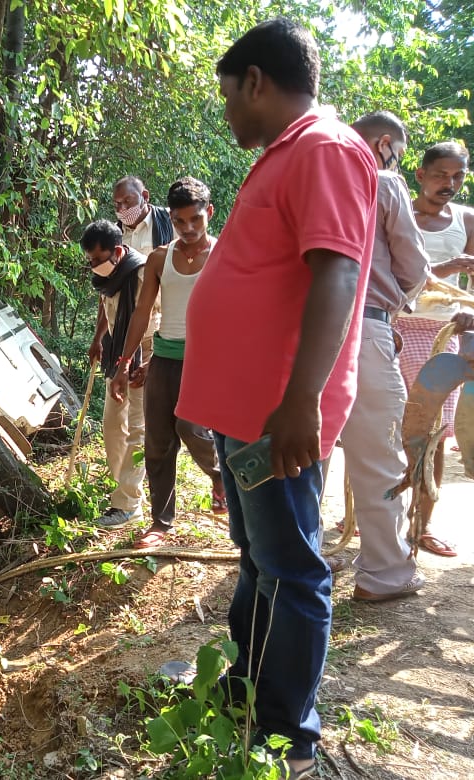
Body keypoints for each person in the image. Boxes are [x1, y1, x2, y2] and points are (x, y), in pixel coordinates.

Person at [175, 19, 376, 778]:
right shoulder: (285, 155)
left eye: (229, 96)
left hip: (275, 412)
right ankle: (246, 690)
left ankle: (287, 734)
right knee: (259, 560)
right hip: (247, 412)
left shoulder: (323, 149)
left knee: (292, 569)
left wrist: (303, 402)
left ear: (257, 81)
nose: (227, 114)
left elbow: (337, 274)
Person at [326, 112, 430, 599]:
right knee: (379, 456)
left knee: (310, 453)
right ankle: (385, 573)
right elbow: (413, 266)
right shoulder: (381, 178)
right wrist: (390, 308)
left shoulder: (315, 171)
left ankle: (296, 565)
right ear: (385, 143)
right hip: (363, 327)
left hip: (306, 329)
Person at [109, 177, 226, 549]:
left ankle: (221, 476)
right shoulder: (161, 258)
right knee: (158, 443)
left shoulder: (224, 254)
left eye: (196, 219)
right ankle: (160, 522)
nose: (188, 228)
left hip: (205, 362)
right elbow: (142, 312)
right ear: (171, 218)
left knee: (191, 426)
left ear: (209, 213)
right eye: (180, 221)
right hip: (165, 357)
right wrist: (125, 362)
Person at [395, 141, 474, 557]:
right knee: (388, 427)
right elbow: (394, 274)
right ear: (420, 175)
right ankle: (371, 517)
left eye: (458, 176)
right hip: (396, 330)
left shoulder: (467, 220)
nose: (450, 183)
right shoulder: (397, 212)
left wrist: (469, 315)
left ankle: (423, 525)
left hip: (446, 339)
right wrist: (446, 268)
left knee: (436, 434)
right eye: (441, 174)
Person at [82, 219, 149, 527]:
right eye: (90, 261)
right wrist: (98, 339)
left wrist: (142, 361)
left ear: (118, 252)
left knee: (137, 429)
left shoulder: (142, 272)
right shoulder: (106, 278)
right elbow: (105, 306)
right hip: (116, 354)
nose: (94, 266)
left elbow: (150, 316)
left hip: (144, 355)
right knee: (111, 426)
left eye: (98, 259)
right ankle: (126, 489)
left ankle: (127, 505)